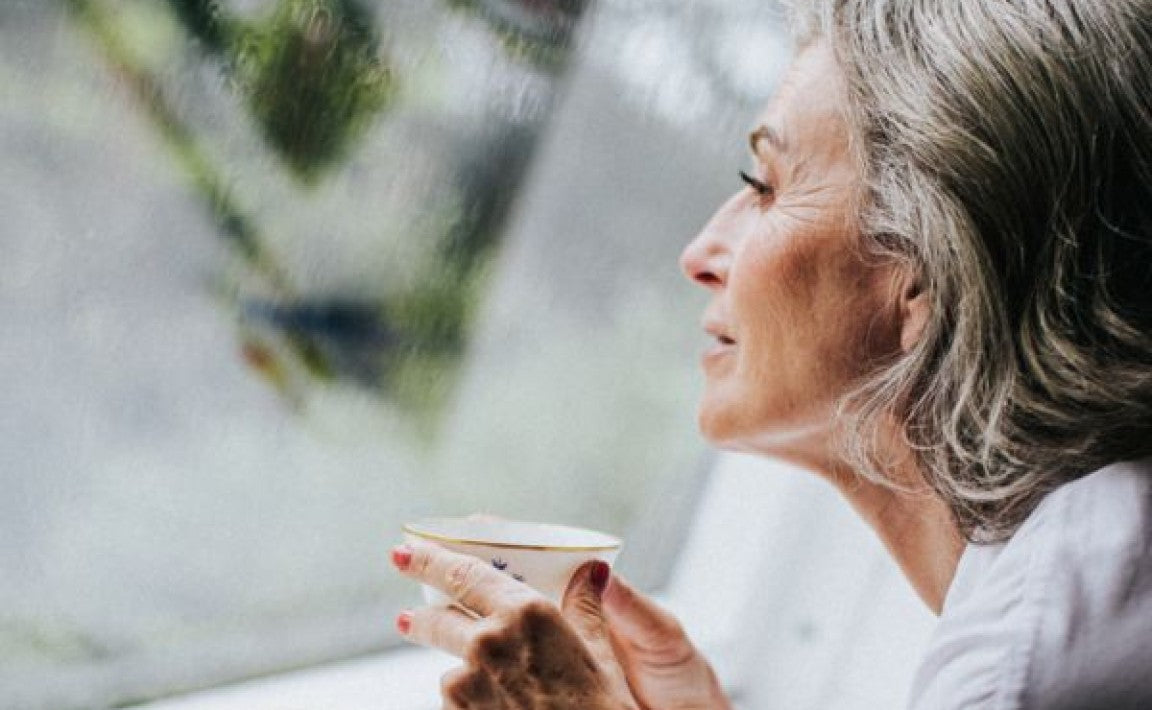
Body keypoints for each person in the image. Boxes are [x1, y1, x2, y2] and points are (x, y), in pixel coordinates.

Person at [388, 0, 1152, 707]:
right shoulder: (1094, 566)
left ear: (930, 279)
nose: (700, 253)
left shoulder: (1023, 670)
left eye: (765, 185)